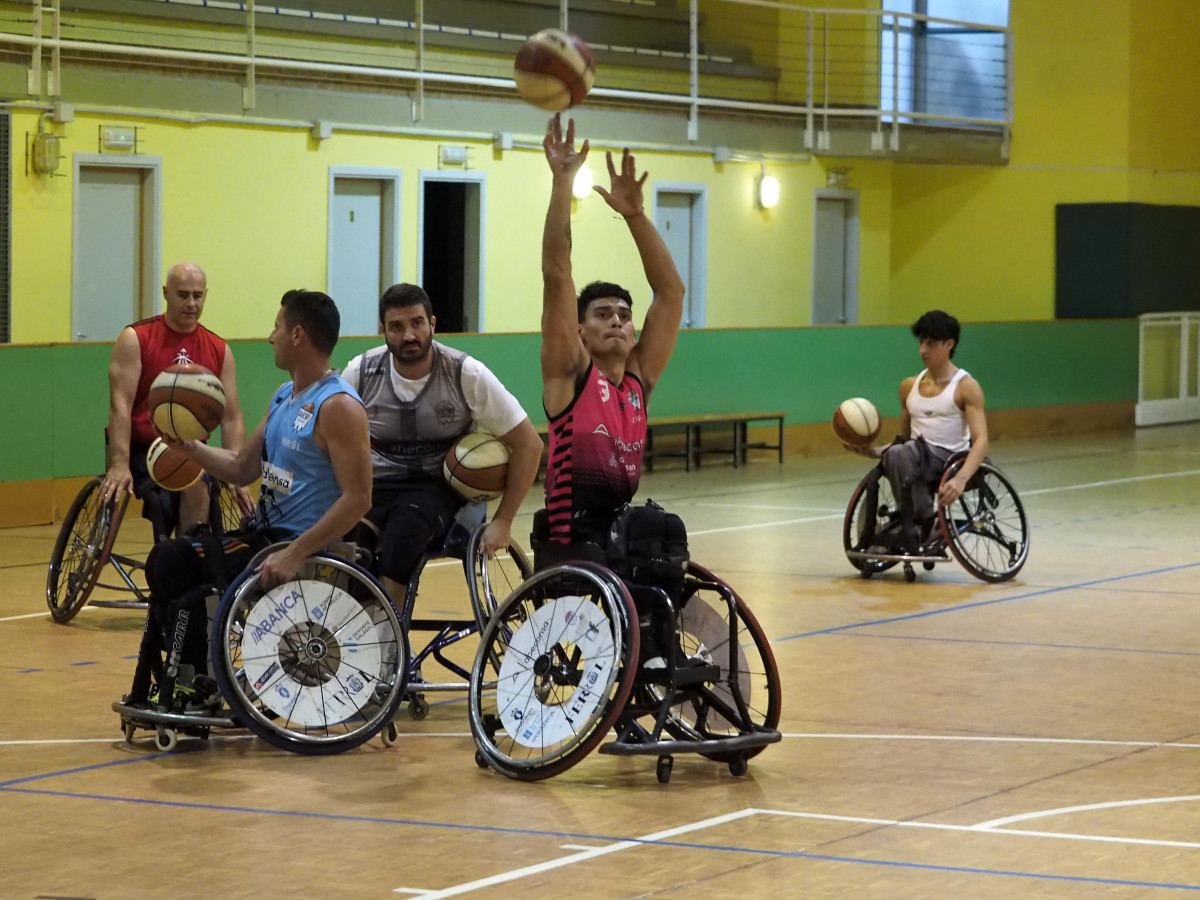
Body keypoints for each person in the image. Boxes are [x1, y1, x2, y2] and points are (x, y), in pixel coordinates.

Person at [125, 289, 372, 711]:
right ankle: (187, 673)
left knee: (172, 561)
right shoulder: (283, 395)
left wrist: (296, 552)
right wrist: (189, 448)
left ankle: (194, 678)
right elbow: (243, 466)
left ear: (297, 335)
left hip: (294, 546)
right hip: (262, 535)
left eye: (276, 327)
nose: (269, 337)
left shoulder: (338, 407)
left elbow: (359, 499)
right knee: (169, 558)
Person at [537, 114, 685, 556]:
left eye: (623, 315)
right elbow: (556, 271)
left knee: (668, 536)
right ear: (579, 331)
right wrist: (564, 181)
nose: (617, 321)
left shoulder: (638, 378)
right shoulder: (570, 370)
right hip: (570, 536)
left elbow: (671, 293)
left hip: (619, 526)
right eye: (602, 314)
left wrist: (636, 216)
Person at [340, 283, 543, 600]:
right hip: (376, 485)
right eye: (396, 326)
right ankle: (356, 622)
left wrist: (504, 520)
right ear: (382, 330)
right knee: (345, 548)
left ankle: (388, 635)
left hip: (442, 487)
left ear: (432, 324)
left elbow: (530, 444)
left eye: (417, 323)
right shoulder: (361, 372)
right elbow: (326, 435)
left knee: (404, 533)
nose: (408, 335)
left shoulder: (466, 373)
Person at [99, 262, 254, 535]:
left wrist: (235, 471)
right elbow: (120, 406)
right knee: (187, 488)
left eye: (198, 295)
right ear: (166, 293)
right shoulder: (136, 338)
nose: (191, 303)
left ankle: (187, 560)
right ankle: (178, 562)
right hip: (142, 449)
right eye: (183, 295)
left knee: (199, 486)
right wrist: (119, 463)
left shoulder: (219, 350)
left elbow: (231, 418)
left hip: (193, 450)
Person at [847, 309, 989, 553]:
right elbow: (903, 443)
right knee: (902, 451)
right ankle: (916, 519)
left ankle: (923, 520)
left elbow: (981, 441)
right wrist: (872, 451)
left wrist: (961, 478)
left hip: (948, 457)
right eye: (921, 342)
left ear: (949, 344)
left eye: (931, 344)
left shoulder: (966, 387)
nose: (923, 350)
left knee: (906, 452)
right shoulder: (909, 386)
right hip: (916, 455)